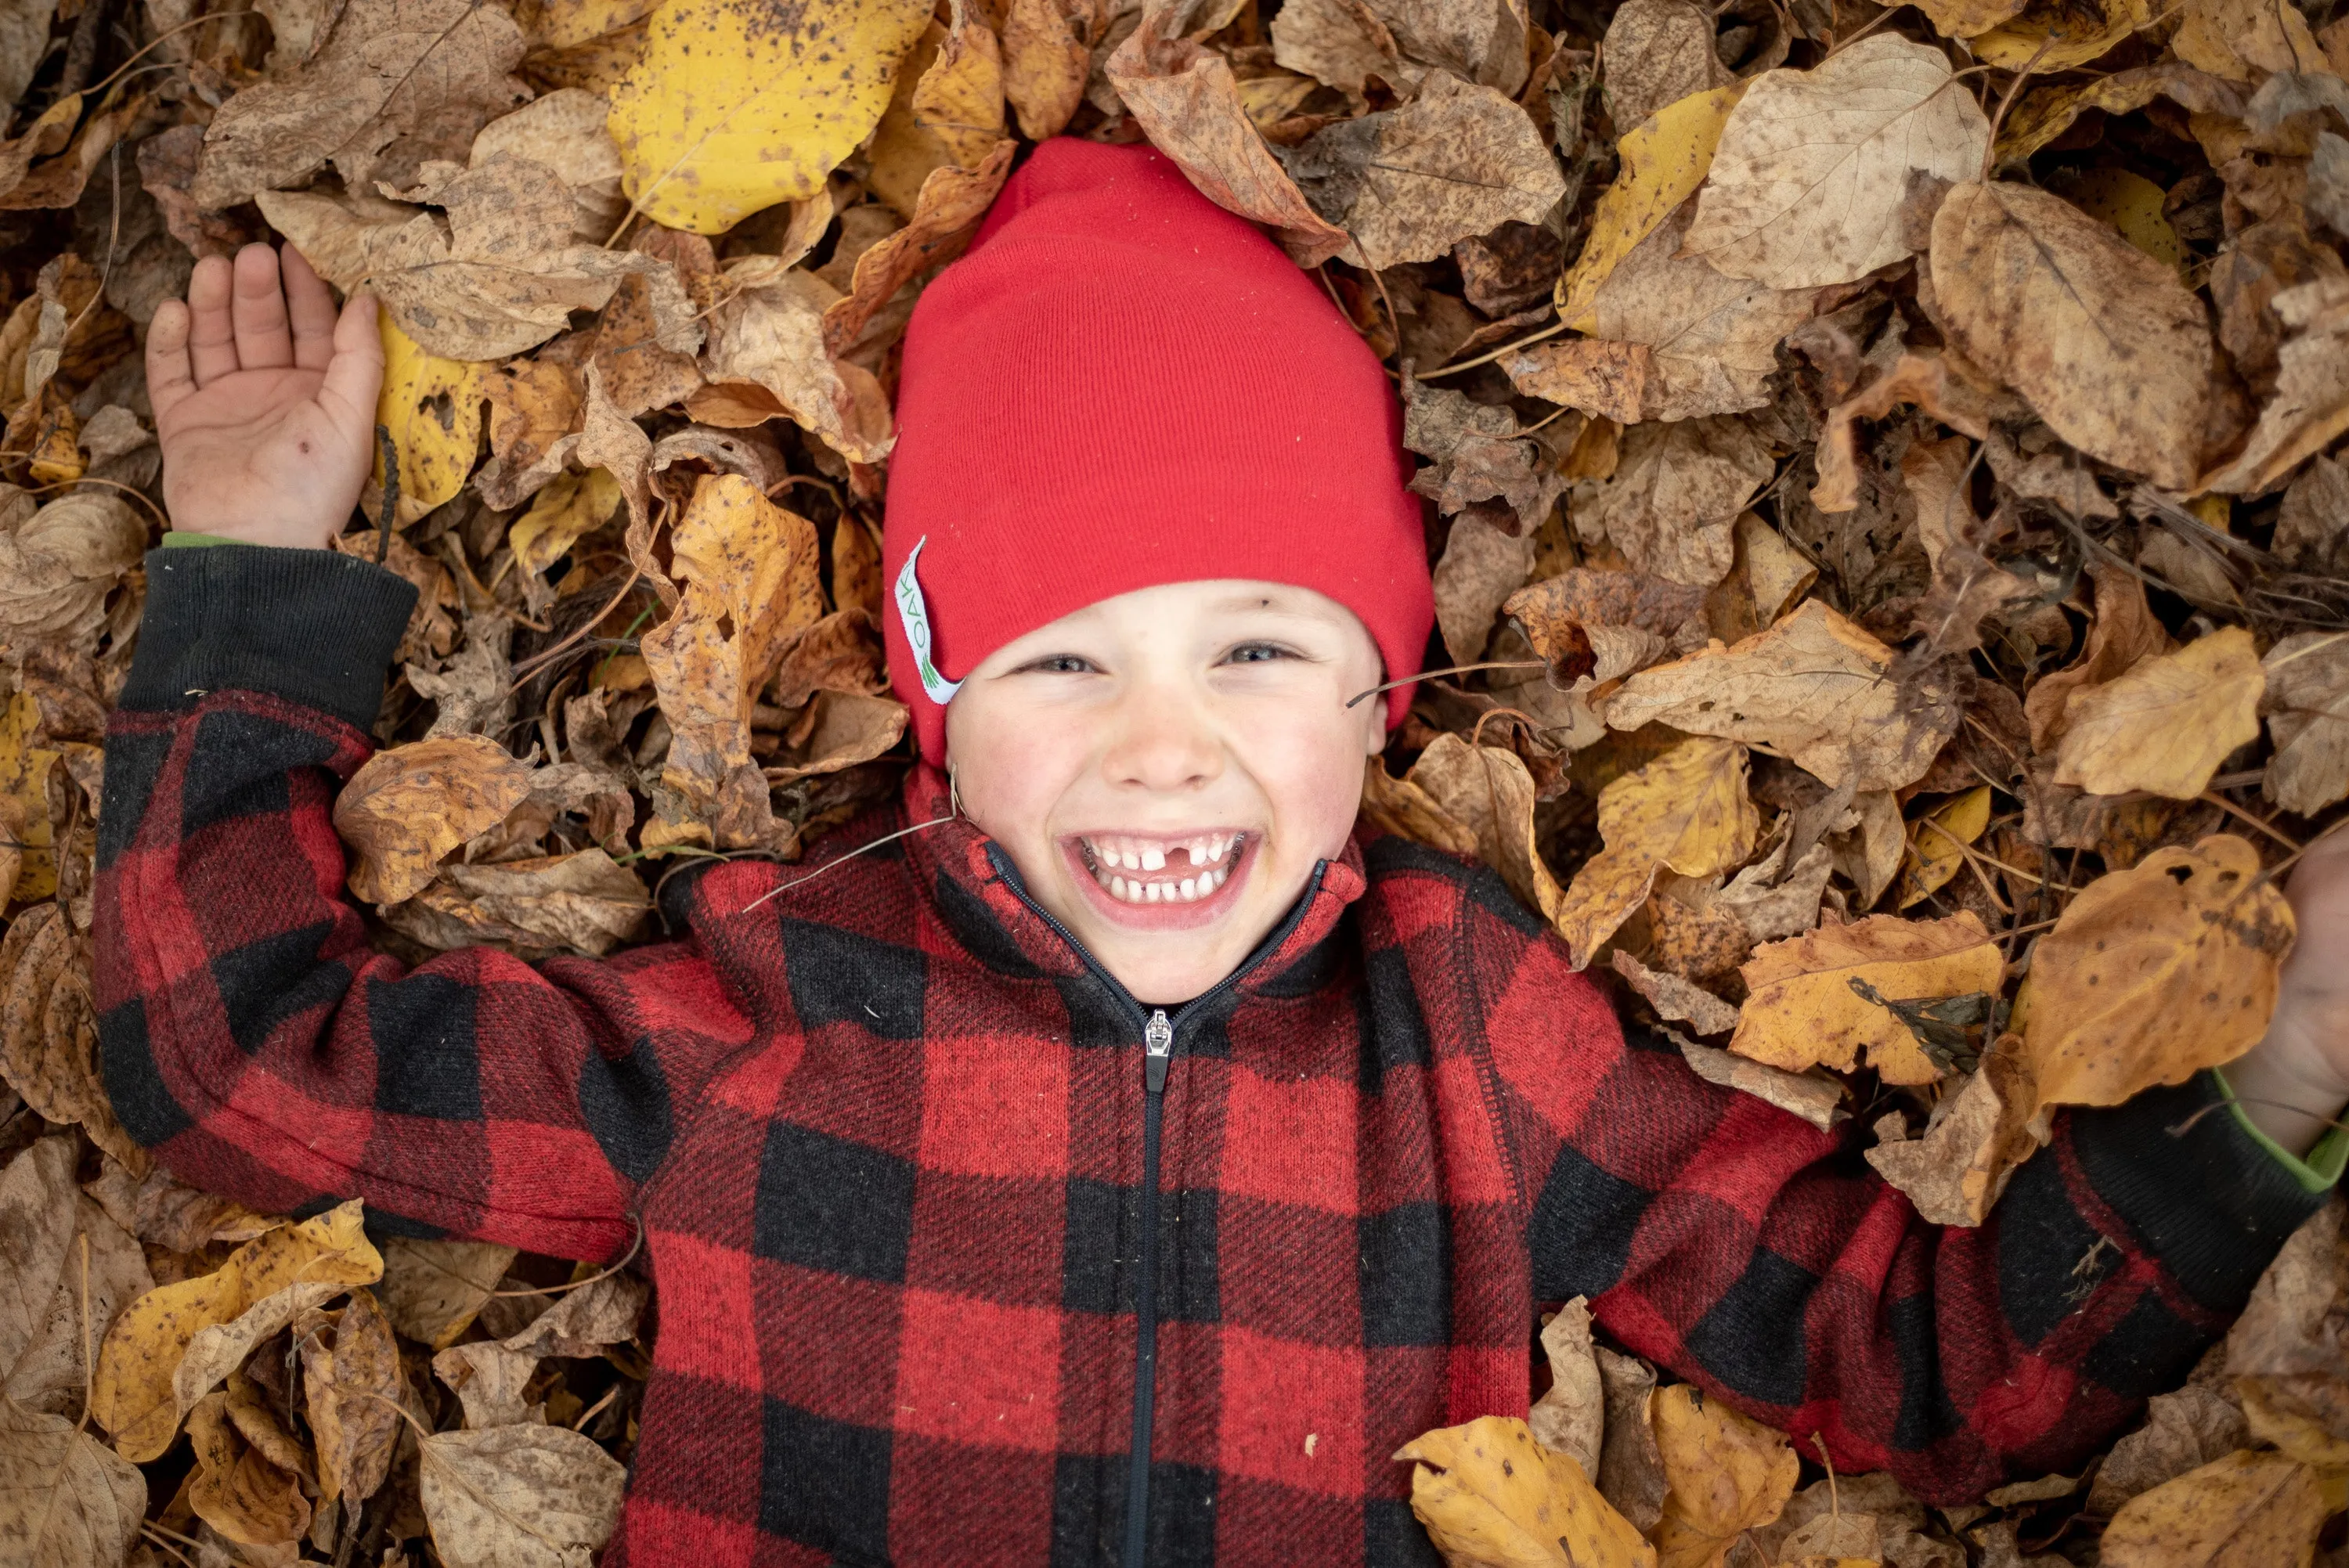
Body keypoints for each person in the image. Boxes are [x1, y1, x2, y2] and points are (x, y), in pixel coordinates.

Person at [94, 136, 2347, 1568]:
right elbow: (236, 1065)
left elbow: (1926, 1366)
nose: (1165, 754)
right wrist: (247, 573)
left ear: (1386, 687)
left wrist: (2273, 1097)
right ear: (935, 719)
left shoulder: (1477, 1047)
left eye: (1259, 647)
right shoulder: (774, 1013)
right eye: (1061, 670)